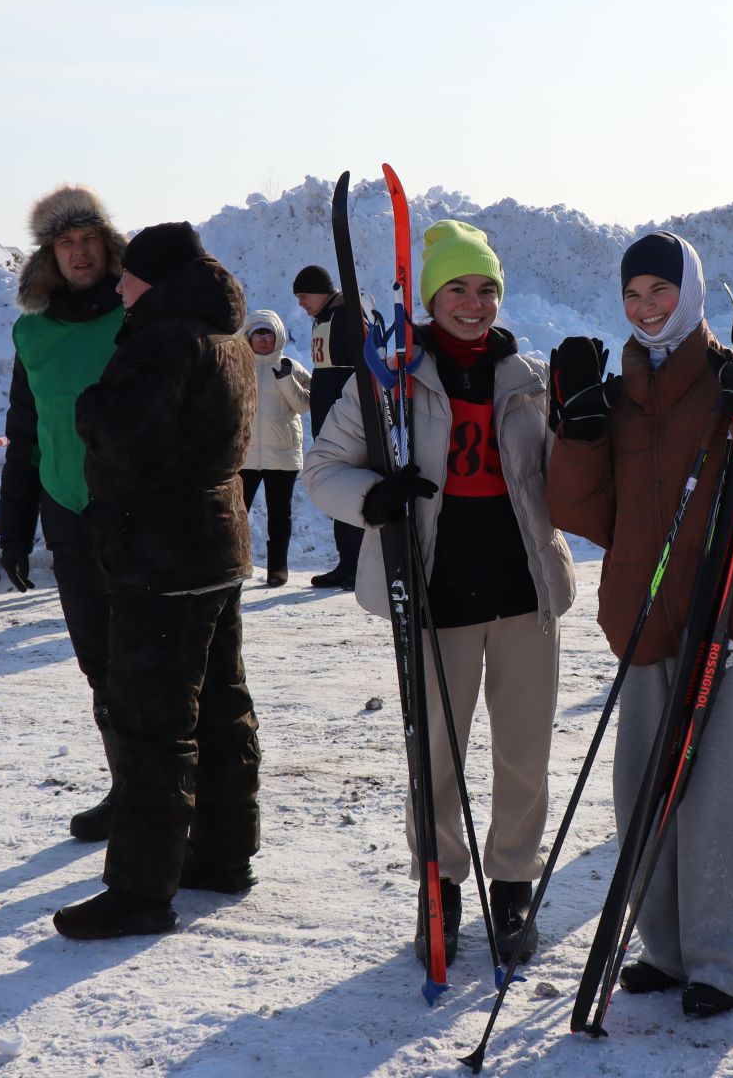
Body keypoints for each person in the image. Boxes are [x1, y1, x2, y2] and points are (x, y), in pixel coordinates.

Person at [546, 230, 733, 1018]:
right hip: (644, 617)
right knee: (648, 787)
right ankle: (666, 949)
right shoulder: (624, 388)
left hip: (730, 617)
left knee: (726, 797)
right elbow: (584, 513)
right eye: (633, 295)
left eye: (660, 292)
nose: (646, 309)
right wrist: (574, 430)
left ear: (692, 292)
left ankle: (732, 963)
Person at [304, 220, 576, 968]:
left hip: (524, 594)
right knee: (437, 762)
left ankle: (514, 885)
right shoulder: (390, 377)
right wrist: (377, 496)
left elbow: (572, 481)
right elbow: (322, 467)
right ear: (430, 296)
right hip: (432, 596)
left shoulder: (529, 375)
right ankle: (441, 889)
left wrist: (586, 422)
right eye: (457, 287)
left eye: (486, 288)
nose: (473, 301)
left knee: (524, 754)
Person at [55, 222, 262, 940]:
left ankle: (141, 891)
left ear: (157, 277)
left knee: (152, 724)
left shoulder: (165, 336)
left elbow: (127, 437)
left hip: (161, 553)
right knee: (220, 704)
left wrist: (87, 407)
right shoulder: (225, 335)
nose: (118, 286)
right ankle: (224, 852)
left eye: (129, 275)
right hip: (213, 543)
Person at [0, 184, 130, 841]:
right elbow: (25, 432)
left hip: (137, 513)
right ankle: (127, 786)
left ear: (108, 246)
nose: (79, 253)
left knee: (152, 661)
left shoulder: (138, 319)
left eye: (89, 239)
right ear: (50, 255)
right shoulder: (33, 333)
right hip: (68, 516)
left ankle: (170, 793)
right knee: (98, 663)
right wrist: (14, 527)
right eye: (66, 243)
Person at [294, 264, 364, 589]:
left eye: (303, 296)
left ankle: (361, 564)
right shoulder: (323, 319)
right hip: (327, 415)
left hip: (345, 416)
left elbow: (358, 370)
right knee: (335, 486)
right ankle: (346, 561)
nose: (301, 304)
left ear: (320, 291)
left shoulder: (347, 315)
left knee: (349, 488)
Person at [239, 309, 311, 588]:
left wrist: (285, 379)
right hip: (244, 454)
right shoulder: (238, 366)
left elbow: (304, 404)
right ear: (249, 336)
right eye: (258, 333)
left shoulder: (290, 366)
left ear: (278, 336)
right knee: (237, 512)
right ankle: (239, 563)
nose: (264, 339)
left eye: (269, 333)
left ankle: (277, 568)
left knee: (279, 515)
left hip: (282, 454)